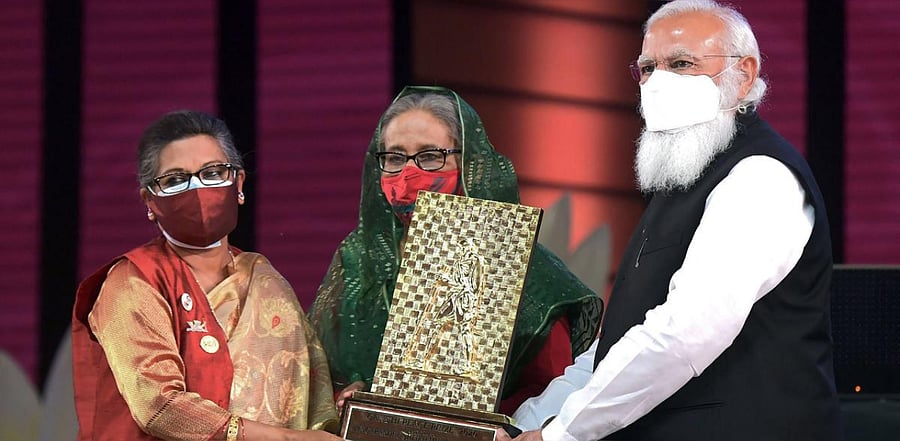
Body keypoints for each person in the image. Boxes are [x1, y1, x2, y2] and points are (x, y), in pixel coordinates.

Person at [507, 1, 843, 440]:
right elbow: (614, 348)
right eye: (648, 68)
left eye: (681, 64)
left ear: (742, 75)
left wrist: (563, 433)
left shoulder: (760, 176)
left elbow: (686, 332)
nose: (658, 82)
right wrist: (522, 424)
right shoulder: (683, 183)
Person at [308, 86, 604, 415]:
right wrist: (351, 394)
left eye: (430, 156)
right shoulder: (359, 259)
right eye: (394, 157)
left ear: (470, 163)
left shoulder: (526, 271)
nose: (408, 175)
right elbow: (319, 374)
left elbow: (554, 393)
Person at [71, 110, 341, 441]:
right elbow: (160, 408)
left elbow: (308, 391)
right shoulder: (132, 282)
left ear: (238, 183)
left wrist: (345, 405)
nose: (197, 189)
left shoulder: (265, 281)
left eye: (212, 173)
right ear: (150, 202)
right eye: (174, 180)